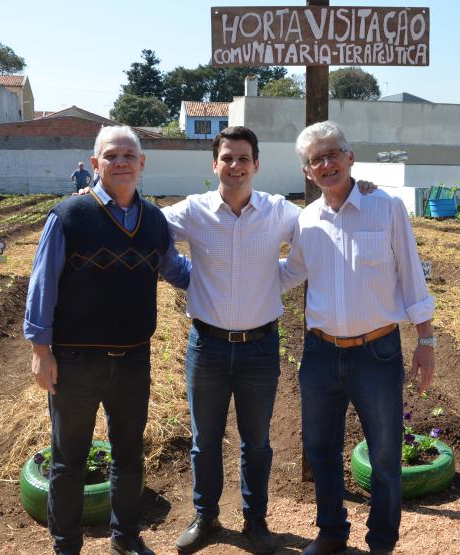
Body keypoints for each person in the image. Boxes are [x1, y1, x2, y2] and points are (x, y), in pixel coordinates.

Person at [160, 126, 377, 555]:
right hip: (207, 346)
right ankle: (206, 516)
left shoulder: (280, 212)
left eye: (243, 158)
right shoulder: (192, 211)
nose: (235, 166)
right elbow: (152, 234)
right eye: (227, 158)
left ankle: (255, 522)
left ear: (256, 165)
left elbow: (322, 225)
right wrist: (184, 276)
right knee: (205, 439)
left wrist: (360, 188)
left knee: (256, 442)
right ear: (215, 164)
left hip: (260, 347)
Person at [24, 126, 192, 555]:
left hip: (134, 360)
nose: (121, 162)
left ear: (141, 164)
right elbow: (43, 285)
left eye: (128, 155)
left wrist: (233, 277)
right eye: (111, 156)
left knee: (129, 455)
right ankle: (66, 545)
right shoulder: (69, 217)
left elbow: (175, 270)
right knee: (69, 461)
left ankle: (126, 537)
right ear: (95, 164)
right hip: (76, 361)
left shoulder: (154, 220)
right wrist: (40, 351)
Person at [280, 121, 435, 555]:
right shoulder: (306, 220)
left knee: (385, 458)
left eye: (333, 154)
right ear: (307, 172)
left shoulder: (385, 207)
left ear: (350, 157)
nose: (325, 164)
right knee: (321, 450)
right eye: (315, 160)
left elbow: (410, 275)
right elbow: (290, 274)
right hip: (320, 355)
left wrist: (426, 341)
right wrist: (230, 273)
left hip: (377, 352)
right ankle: (331, 533)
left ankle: (381, 543)